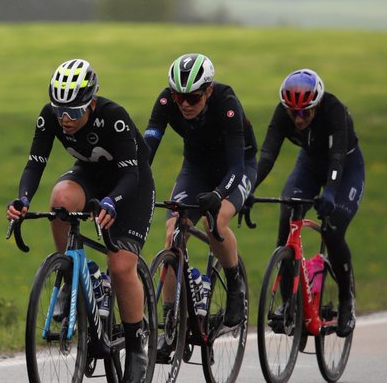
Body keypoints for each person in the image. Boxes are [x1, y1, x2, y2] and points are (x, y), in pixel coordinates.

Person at [7, 58, 156, 383]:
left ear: (91, 102)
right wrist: (23, 200)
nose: (65, 119)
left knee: (120, 266)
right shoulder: (51, 118)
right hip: (90, 175)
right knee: (60, 198)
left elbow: (131, 174)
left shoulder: (114, 118)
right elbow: (35, 164)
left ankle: (135, 347)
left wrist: (111, 203)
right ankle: (74, 275)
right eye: (60, 109)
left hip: (129, 184)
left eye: (73, 112)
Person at [143, 53, 256, 327]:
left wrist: (218, 195)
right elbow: (148, 148)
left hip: (235, 166)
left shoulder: (226, 102)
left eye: (192, 98)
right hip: (195, 167)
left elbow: (237, 166)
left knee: (213, 221)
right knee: (172, 235)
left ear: (208, 90)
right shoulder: (166, 101)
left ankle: (234, 284)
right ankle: (171, 321)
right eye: (178, 96)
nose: (183, 104)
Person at [254, 68, 364, 336]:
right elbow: (267, 155)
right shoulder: (284, 113)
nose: (299, 118)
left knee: (333, 229)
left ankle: (346, 298)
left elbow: (337, 157)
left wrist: (330, 192)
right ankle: (288, 302)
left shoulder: (334, 109)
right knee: (287, 214)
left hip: (345, 166)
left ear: (316, 105)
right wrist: (247, 190)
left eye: (305, 112)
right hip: (310, 164)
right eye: (293, 113)